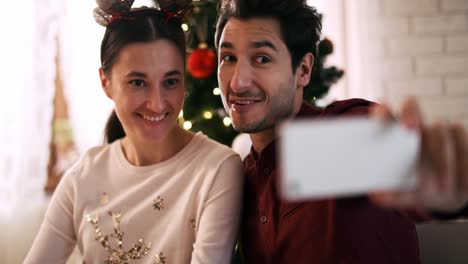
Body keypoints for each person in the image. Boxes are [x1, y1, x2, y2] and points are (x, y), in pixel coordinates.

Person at [214, 0, 468, 263]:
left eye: (262, 58)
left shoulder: (338, 137)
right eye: (228, 58)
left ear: (303, 70)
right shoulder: (240, 178)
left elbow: (412, 172)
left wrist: (449, 193)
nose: (238, 82)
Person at [25, 1, 243, 263]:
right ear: (106, 83)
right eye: (138, 82)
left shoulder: (217, 170)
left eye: (170, 82)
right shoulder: (82, 177)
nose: (157, 103)